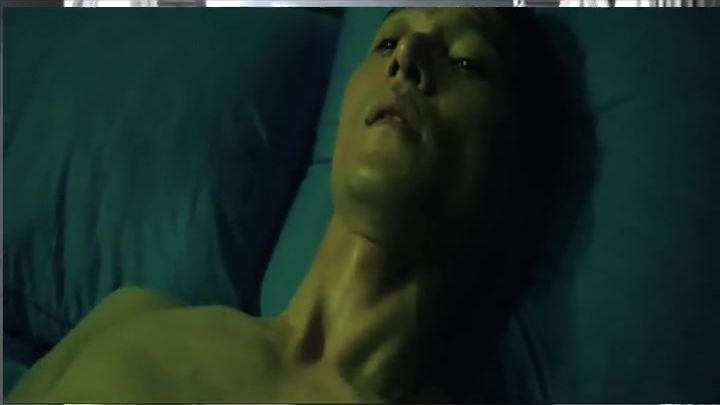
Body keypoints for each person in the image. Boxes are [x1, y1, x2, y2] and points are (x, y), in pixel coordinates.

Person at [8, 7, 585, 403]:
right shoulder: (130, 316)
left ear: (513, 172)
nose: (407, 54)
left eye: (466, 61)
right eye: (387, 41)